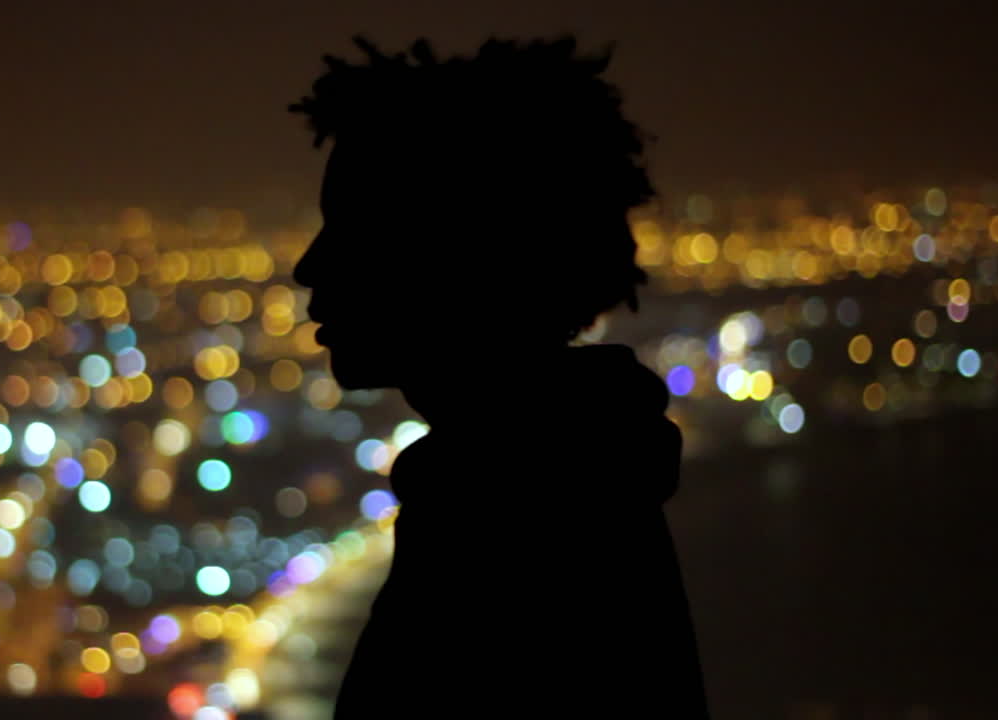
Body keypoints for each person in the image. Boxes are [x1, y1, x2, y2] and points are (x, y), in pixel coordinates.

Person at [288, 34, 710, 717]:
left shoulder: (509, 529)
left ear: (463, 253)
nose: (311, 267)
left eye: (356, 228)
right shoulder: (581, 480)